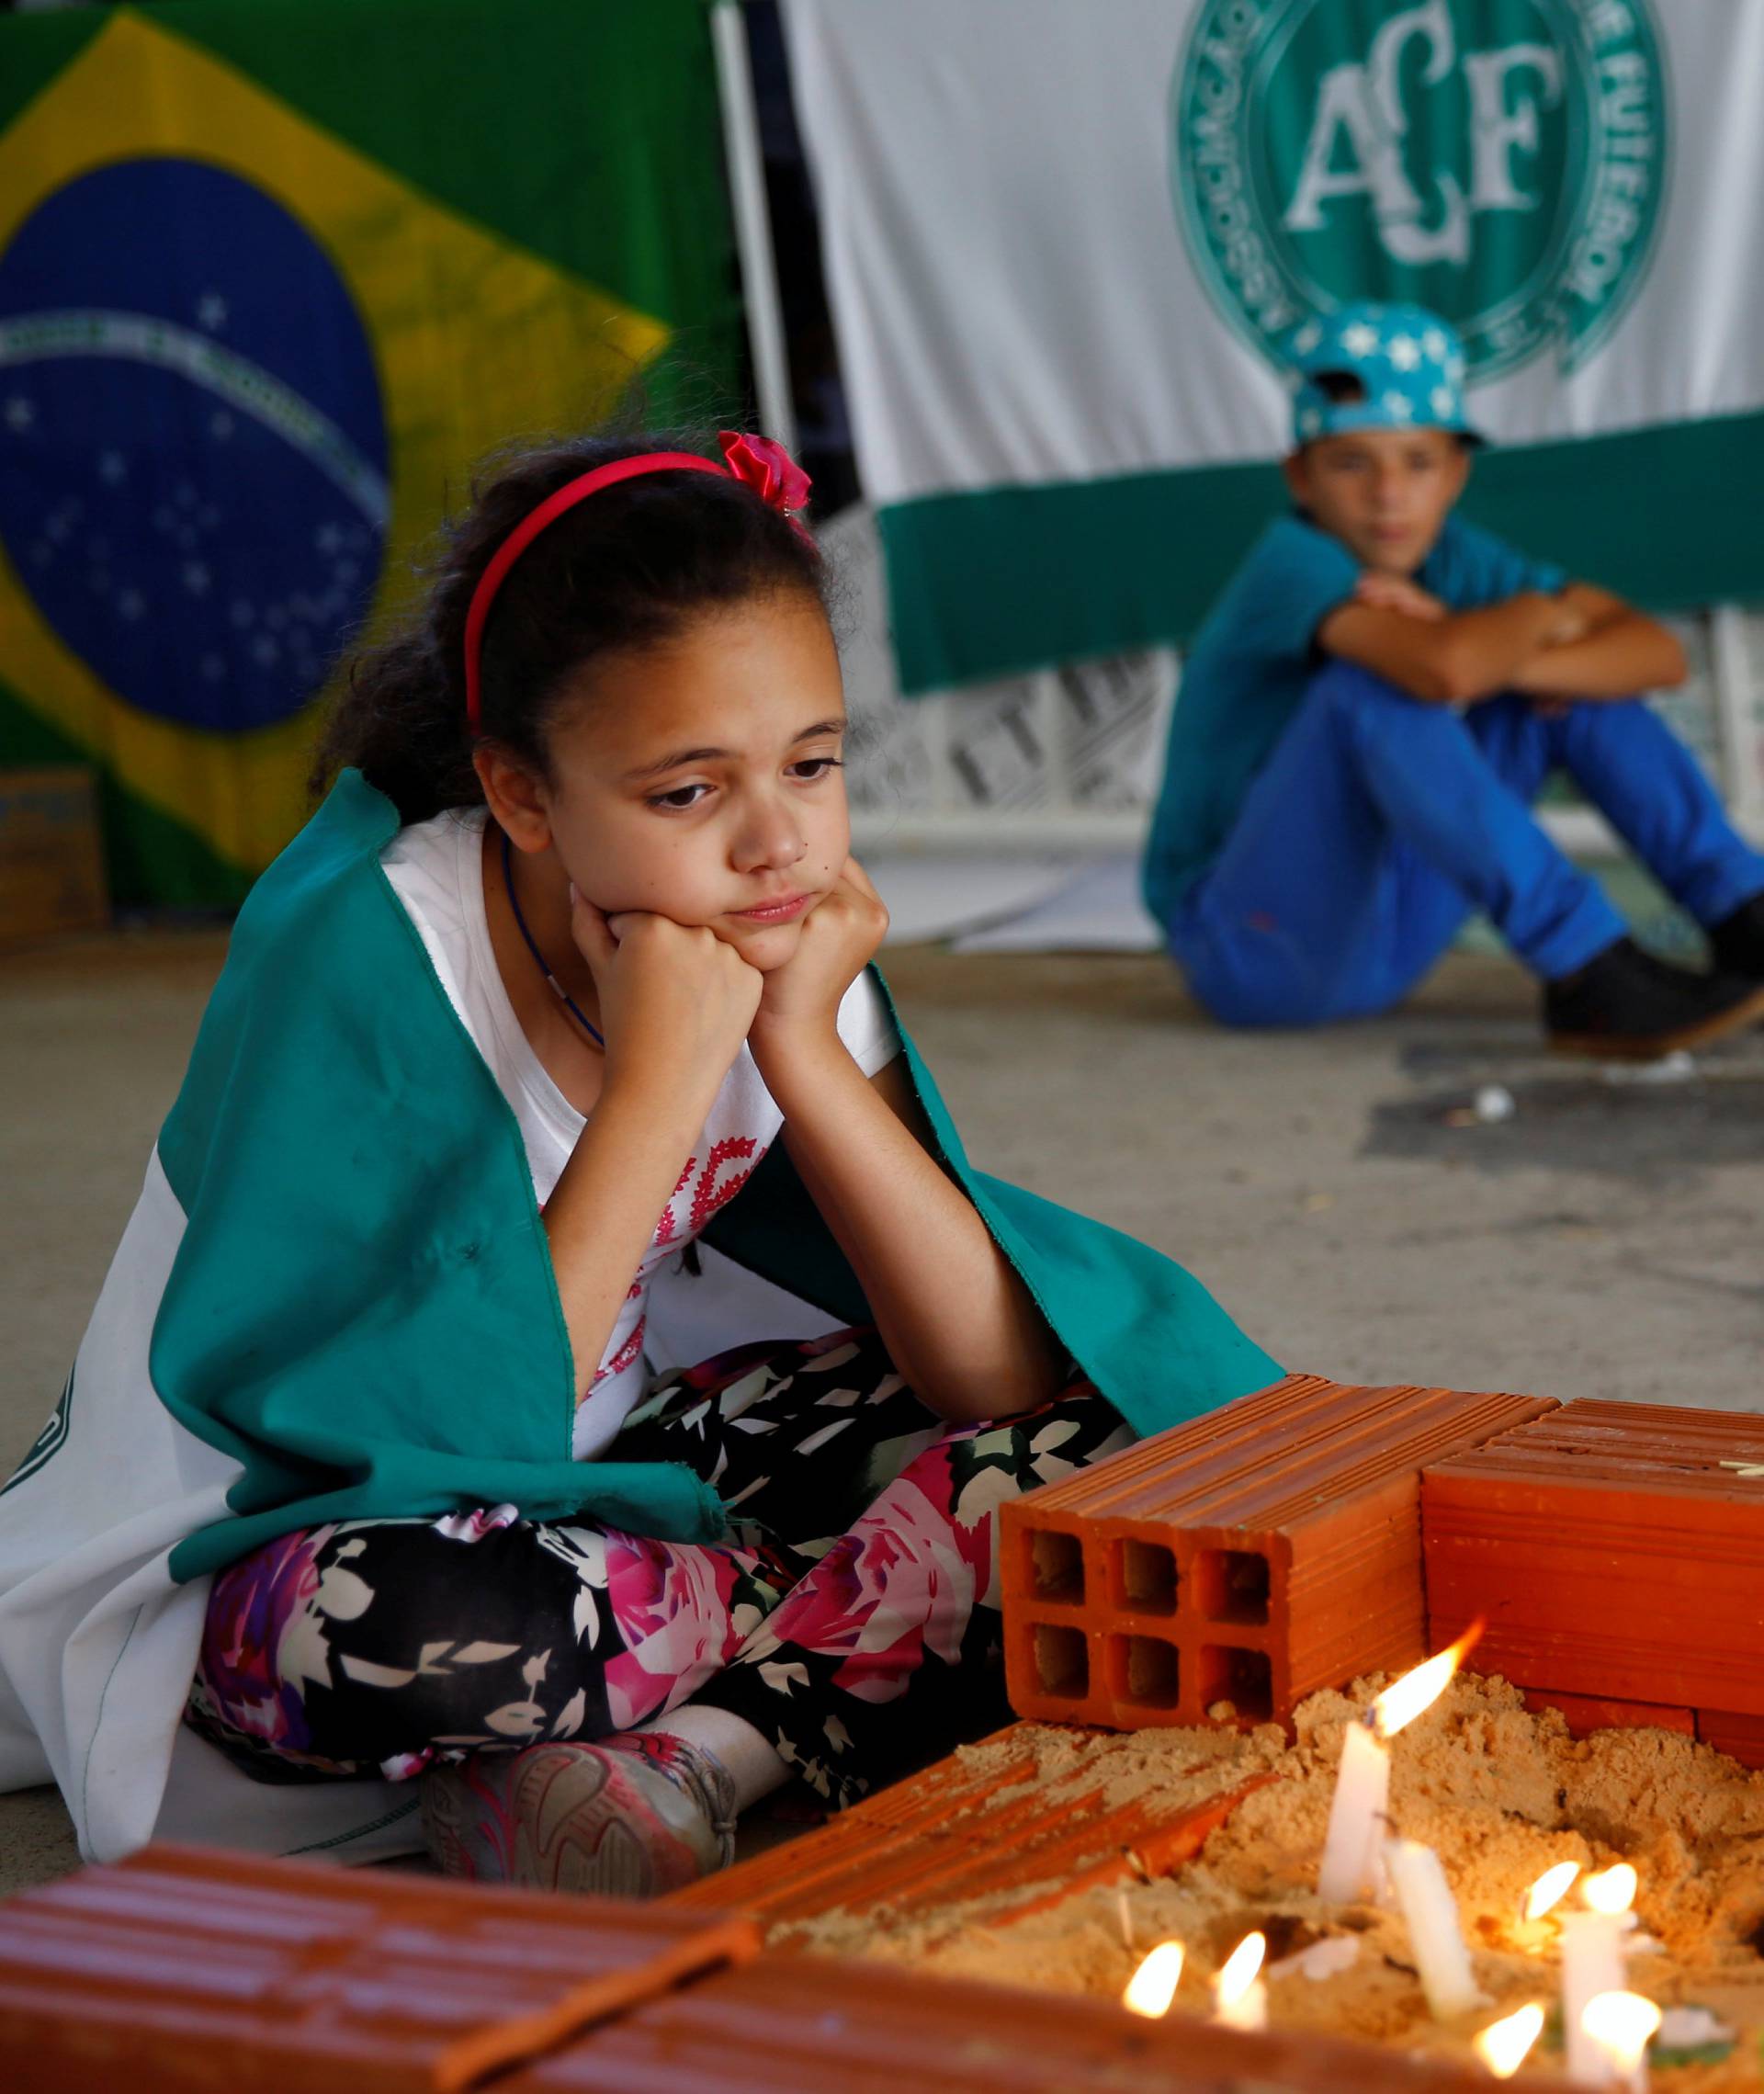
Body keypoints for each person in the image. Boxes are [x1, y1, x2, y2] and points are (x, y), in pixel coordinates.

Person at [0, 429, 1277, 1896]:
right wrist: (662, 1084)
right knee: (385, 1624)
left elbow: (984, 1375)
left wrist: (802, 1049)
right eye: (687, 792)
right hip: (310, 1533)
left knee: (1116, 1441)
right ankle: (848, 1640)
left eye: (813, 763)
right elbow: (446, 1440)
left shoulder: (773, 929)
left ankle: (692, 1761)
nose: (776, 841)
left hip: (615, 1504)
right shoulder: (375, 947)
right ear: (525, 795)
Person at [1143, 301, 1764, 1055]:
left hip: (1388, 938)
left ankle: (1742, 913)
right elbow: (1449, 669)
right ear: (1299, 477)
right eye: (1351, 462)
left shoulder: (1458, 559)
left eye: (1418, 462)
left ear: (1456, 472)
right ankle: (1586, 970)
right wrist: (1537, 613)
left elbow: (1656, 655)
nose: (1388, 495)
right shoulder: (1291, 562)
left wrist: (1513, 655)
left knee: (1567, 694)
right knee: (1368, 687)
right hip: (1253, 948)